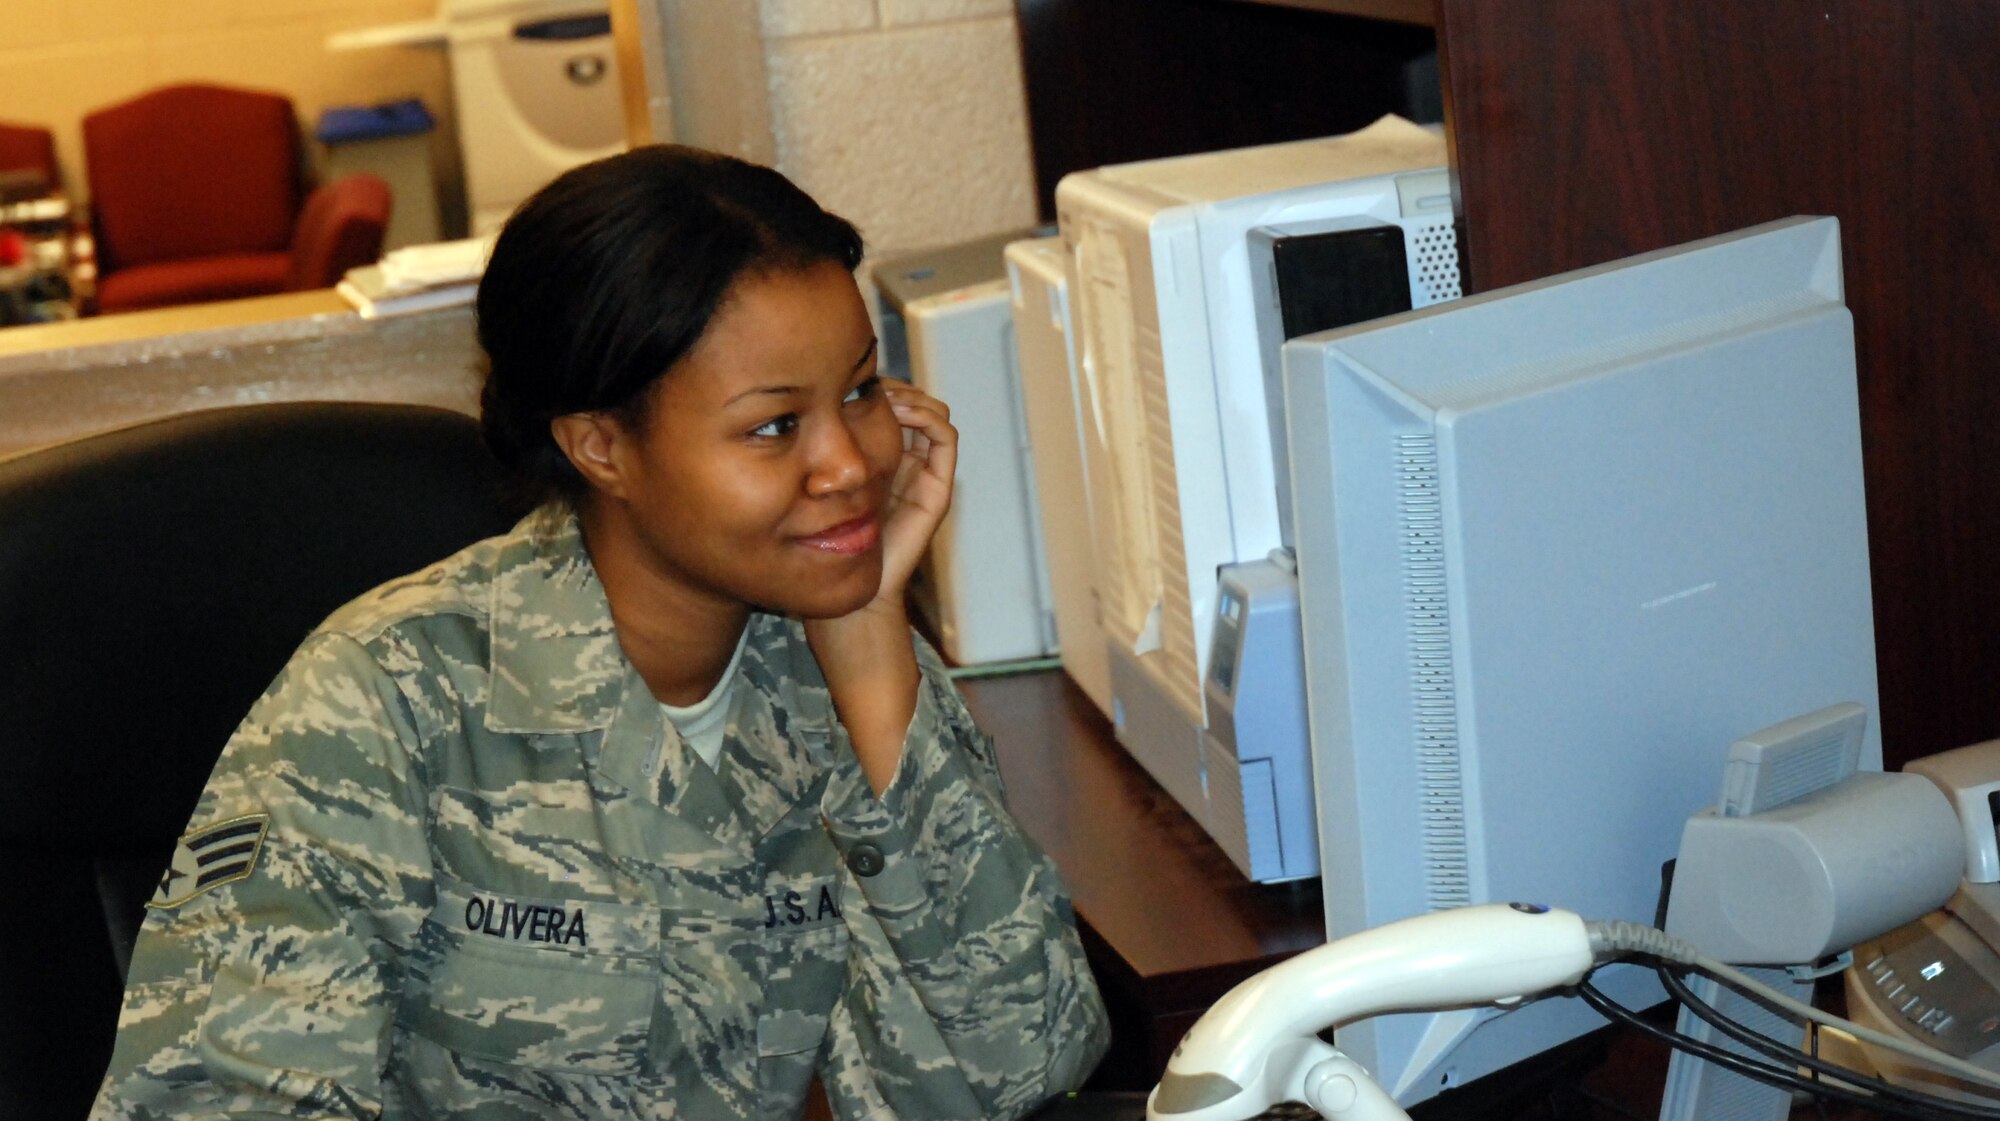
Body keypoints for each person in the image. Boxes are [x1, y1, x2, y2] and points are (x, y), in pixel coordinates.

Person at [90, 145, 1109, 1120]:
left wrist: (872, 646)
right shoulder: (388, 701)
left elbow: (1025, 1066)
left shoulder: (821, 653)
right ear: (600, 445)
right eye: (772, 424)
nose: (848, 462)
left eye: (857, 391)